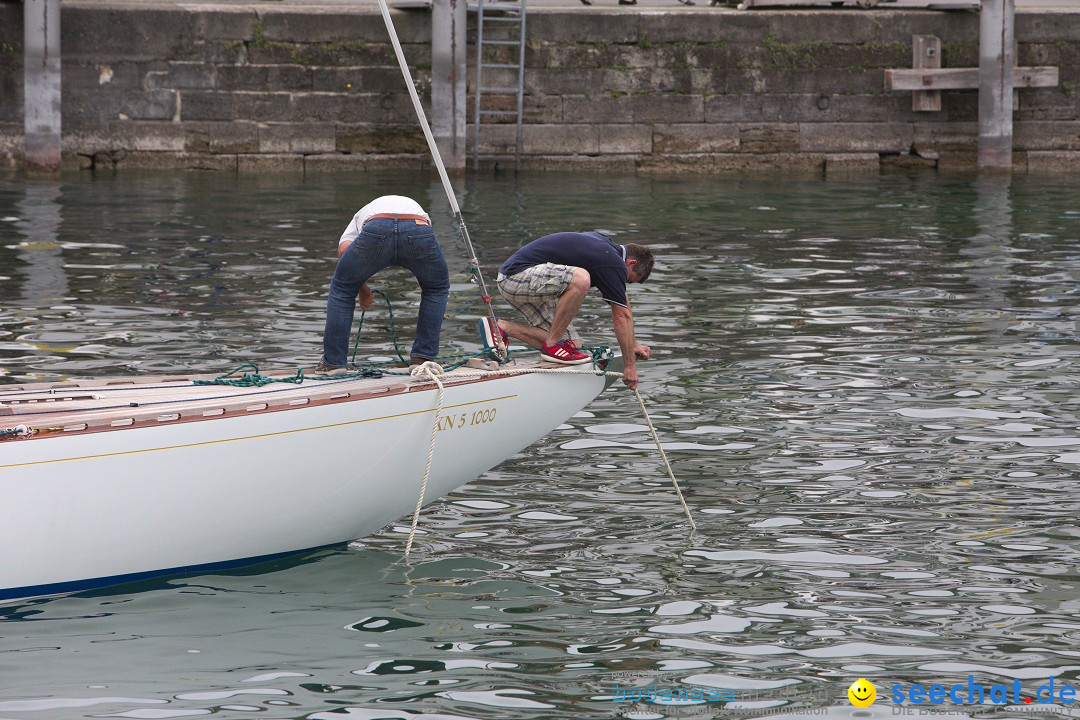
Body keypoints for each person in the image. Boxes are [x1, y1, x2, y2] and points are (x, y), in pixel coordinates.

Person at [480, 230, 653, 390]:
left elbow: (623, 306)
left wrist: (633, 345)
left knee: (574, 349)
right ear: (631, 263)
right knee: (581, 279)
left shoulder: (607, 249)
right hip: (515, 276)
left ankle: (502, 327)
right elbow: (621, 317)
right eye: (629, 280)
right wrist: (629, 367)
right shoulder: (611, 261)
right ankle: (552, 344)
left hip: (526, 283)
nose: (624, 283)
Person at [316, 195, 450, 372]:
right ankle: (423, 360)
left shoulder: (362, 214)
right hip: (418, 227)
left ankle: (333, 364)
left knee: (342, 289)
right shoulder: (413, 207)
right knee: (435, 288)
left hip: (376, 227)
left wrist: (361, 288)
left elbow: (344, 250)